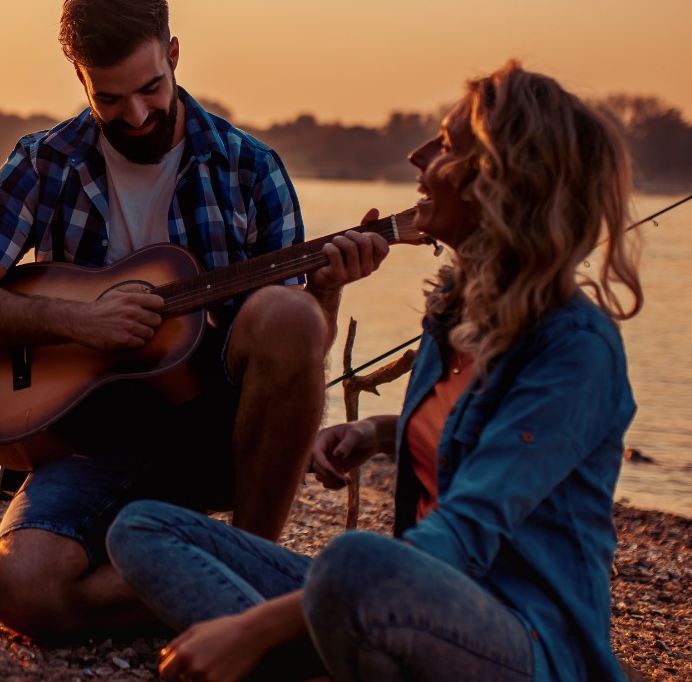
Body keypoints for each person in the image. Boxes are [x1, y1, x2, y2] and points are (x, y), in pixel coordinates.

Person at [107, 61, 644, 681]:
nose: (417, 157)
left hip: (526, 643)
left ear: (497, 179)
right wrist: (379, 434)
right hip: (404, 613)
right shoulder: (456, 311)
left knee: (352, 563)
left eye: (444, 145)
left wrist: (250, 627)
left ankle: (264, 652)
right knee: (143, 526)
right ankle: (297, 664)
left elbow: (462, 537)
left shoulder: (575, 349)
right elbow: (479, 434)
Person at [0, 0, 390, 637]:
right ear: (79, 77)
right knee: (19, 587)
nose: (136, 115)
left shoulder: (248, 167)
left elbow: (295, 344)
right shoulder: (44, 161)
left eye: (151, 88)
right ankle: (224, 592)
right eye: (110, 99)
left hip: (216, 438)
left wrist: (328, 288)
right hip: (85, 443)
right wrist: (76, 321)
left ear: (173, 54)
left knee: (283, 313)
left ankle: (245, 577)